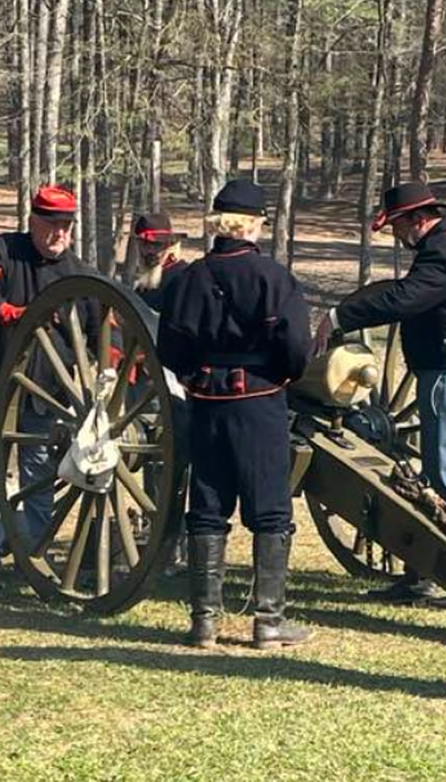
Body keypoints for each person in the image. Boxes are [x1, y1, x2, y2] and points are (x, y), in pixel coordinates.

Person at [312, 182, 446, 605]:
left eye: (397, 225)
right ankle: (430, 571)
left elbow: (407, 298)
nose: (396, 234)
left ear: (419, 220)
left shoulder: (442, 252)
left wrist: (340, 315)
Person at [157, 179, 314, 649]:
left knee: (206, 507)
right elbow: (295, 347)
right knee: (270, 509)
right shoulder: (273, 278)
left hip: (206, 400)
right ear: (255, 225)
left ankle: (204, 622)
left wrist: (194, 375)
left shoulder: (188, 278)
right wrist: (282, 377)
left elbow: (171, 346)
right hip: (259, 401)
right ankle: (268, 622)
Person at [0, 185, 86, 584]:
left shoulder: (77, 273)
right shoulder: (0, 251)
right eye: (52, 224)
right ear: (33, 222)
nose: (60, 232)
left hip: (45, 396)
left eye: (66, 225)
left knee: (39, 476)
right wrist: (6, 311)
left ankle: (35, 555)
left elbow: (101, 328)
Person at [127, 213, 192, 573]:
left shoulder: (181, 278)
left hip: (174, 384)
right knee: (154, 464)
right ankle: (161, 544)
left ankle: (172, 546)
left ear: (171, 245)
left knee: (170, 467)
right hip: (145, 388)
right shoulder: (144, 283)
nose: (152, 250)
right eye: (146, 243)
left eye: (159, 244)